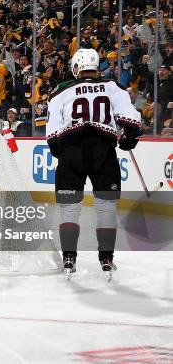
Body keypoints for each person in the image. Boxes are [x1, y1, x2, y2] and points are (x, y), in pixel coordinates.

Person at [46, 48, 143, 279]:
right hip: (103, 151)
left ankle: (69, 258)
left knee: (70, 207)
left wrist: (63, 153)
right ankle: (106, 258)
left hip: (71, 151)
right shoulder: (112, 86)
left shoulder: (60, 91)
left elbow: (52, 135)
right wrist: (129, 139)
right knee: (106, 206)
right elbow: (132, 120)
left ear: (77, 67)